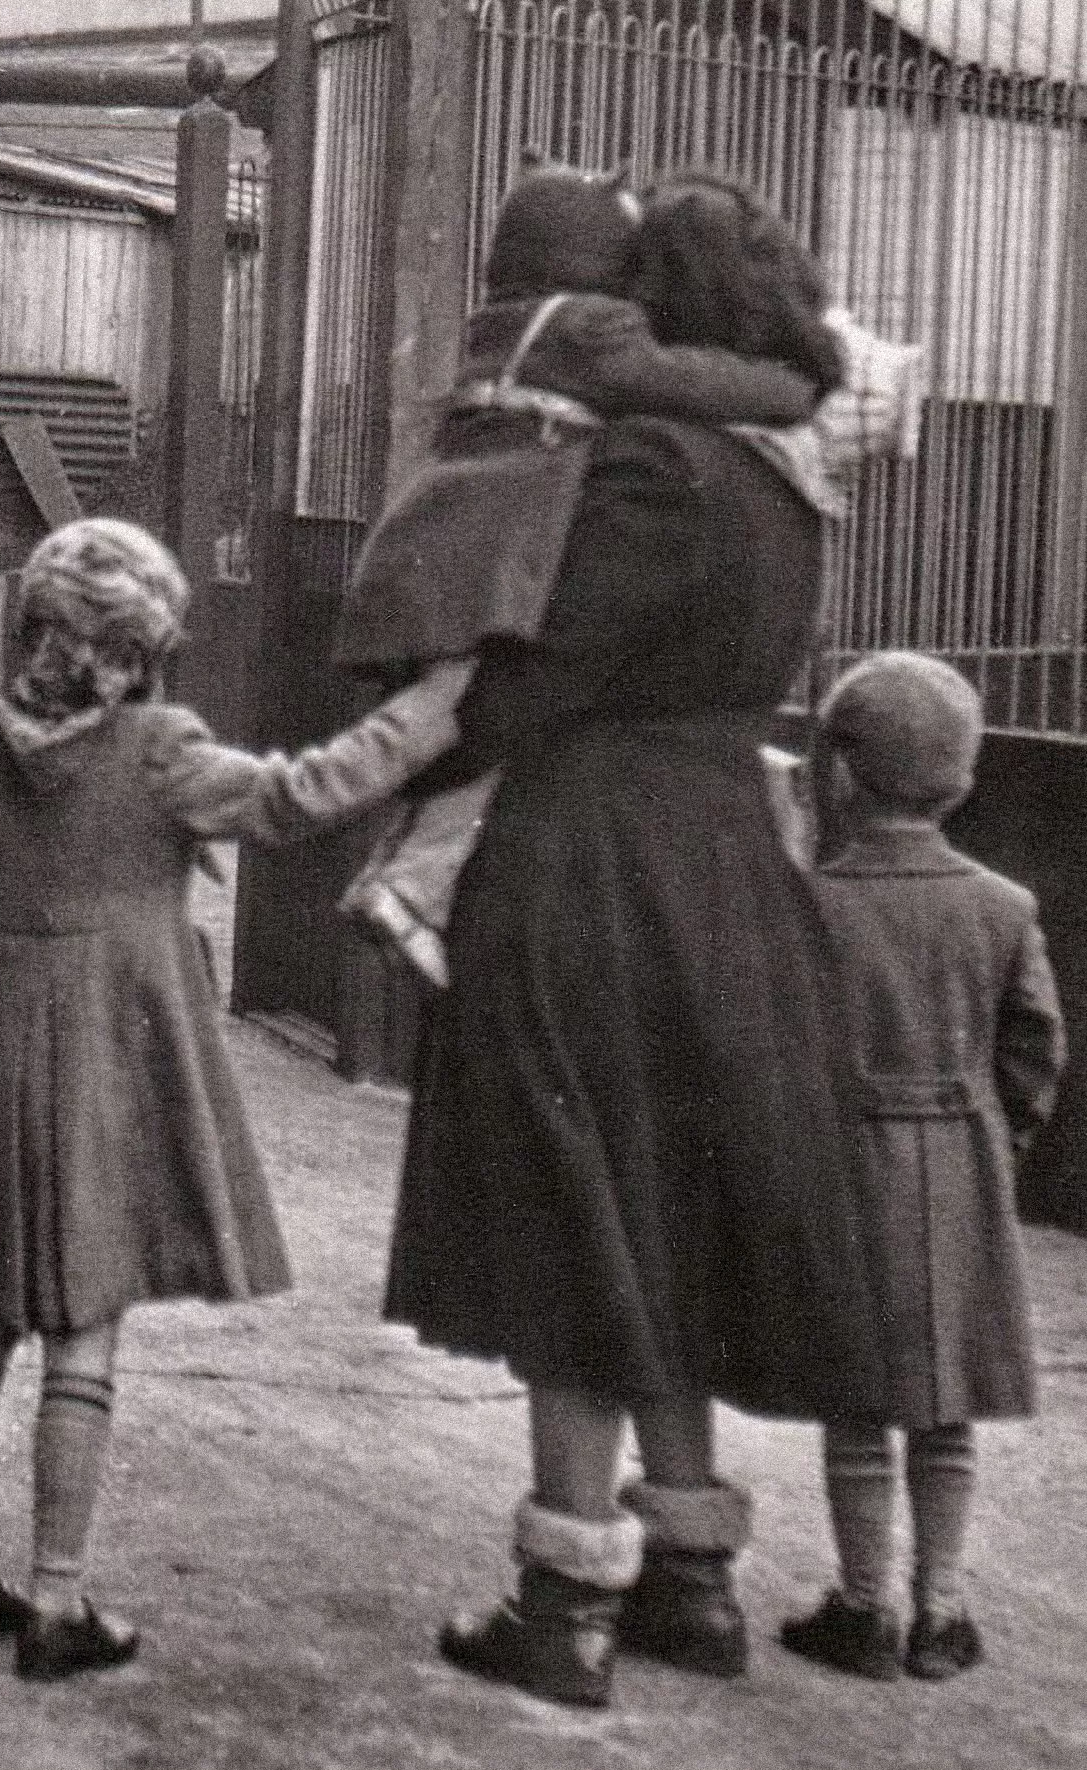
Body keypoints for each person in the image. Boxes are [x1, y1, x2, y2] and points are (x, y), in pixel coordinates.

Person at [380, 173, 908, 1709]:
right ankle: (692, 1577)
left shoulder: (650, 467)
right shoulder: (789, 477)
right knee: (667, 1202)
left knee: (568, 1211)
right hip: (729, 860)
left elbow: (538, 678)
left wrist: (413, 740)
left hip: (588, 858)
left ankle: (563, 1606)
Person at [0, 516, 473, 1681]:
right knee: (84, 1316)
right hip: (111, 1050)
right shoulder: (157, 750)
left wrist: (16, 974)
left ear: (30, 623)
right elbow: (302, 797)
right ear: (139, 649)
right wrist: (438, 705)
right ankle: (57, 1603)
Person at [328, 161, 824, 985]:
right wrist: (788, 389)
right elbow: (680, 381)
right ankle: (408, 880)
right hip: (680, 841)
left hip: (448, 554)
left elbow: (520, 698)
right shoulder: (772, 478)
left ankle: (404, 870)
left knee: (443, 730)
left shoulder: (529, 346)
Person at [779, 652, 1063, 1682]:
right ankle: (939, 1613)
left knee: (855, 1404)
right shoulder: (1002, 907)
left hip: (845, 1170)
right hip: (961, 1164)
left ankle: (862, 1610)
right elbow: (1034, 1049)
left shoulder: (804, 903)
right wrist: (995, 1136)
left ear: (839, 776)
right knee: (944, 1410)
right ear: (965, 779)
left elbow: (779, 1053)